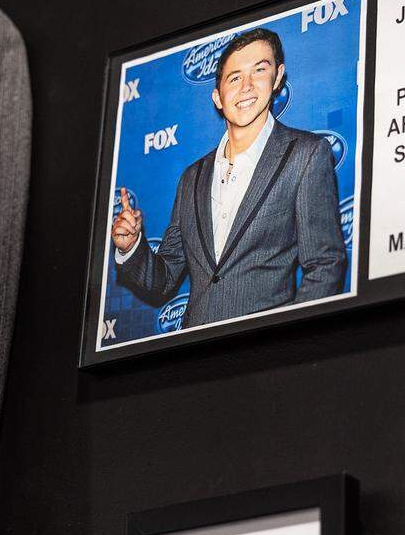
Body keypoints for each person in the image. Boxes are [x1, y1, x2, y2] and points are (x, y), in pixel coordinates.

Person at [111, 28, 346, 329]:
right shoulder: (192, 178)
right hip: (194, 351)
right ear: (217, 98)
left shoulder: (306, 155)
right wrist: (131, 247)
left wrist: (289, 343)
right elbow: (165, 278)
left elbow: (325, 264)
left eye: (259, 70)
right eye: (234, 78)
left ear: (277, 78)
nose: (246, 86)